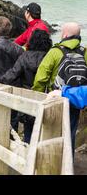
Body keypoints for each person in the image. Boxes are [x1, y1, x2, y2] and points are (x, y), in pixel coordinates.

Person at [0, 29, 53, 143]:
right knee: (44, 133)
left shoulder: (25, 57)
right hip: (46, 99)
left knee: (28, 131)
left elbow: (11, 75)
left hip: (27, 100)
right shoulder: (49, 57)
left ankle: (28, 155)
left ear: (31, 41)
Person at [33, 22, 87, 152]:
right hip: (75, 102)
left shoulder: (55, 52)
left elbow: (41, 78)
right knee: (70, 135)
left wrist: (37, 97)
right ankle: (69, 166)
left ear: (65, 35)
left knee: (52, 137)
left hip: (55, 100)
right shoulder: (84, 52)